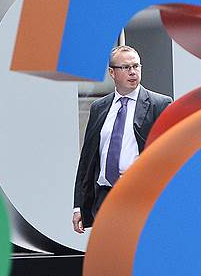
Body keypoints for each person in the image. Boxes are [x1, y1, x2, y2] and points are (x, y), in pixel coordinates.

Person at [72, 45, 172, 233]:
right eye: (126, 67)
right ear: (112, 72)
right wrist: (79, 206)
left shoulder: (160, 105)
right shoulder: (99, 107)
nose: (133, 72)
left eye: (136, 66)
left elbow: (169, 156)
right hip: (104, 198)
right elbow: (87, 160)